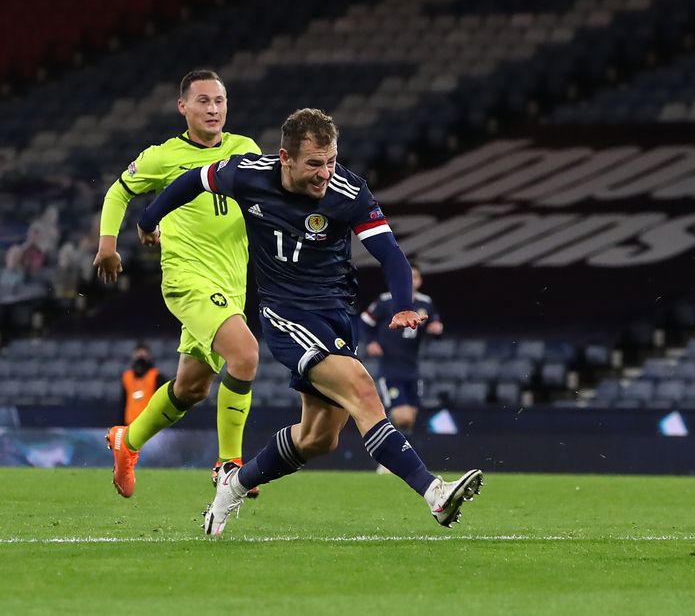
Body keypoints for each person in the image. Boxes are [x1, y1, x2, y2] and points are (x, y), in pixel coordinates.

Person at [137, 108, 482, 536]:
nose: (325, 173)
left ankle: (233, 486)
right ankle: (434, 494)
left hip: (336, 315)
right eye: (314, 164)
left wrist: (403, 304)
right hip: (286, 314)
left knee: (319, 438)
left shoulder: (348, 191)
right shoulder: (247, 173)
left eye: (331, 161)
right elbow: (192, 180)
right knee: (361, 387)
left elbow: (390, 252)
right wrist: (149, 219)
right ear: (285, 158)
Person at [94, 69, 262, 498]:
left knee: (191, 388)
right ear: (182, 107)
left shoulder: (245, 149)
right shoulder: (163, 156)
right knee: (244, 354)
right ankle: (230, 466)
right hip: (188, 278)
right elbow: (118, 192)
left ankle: (126, 442)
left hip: (231, 284)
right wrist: (108, 246)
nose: (213, 109)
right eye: (203, 101)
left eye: (219, 101)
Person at [361, 263, 443, 465]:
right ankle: (388, 459)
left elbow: (435, 325)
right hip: (389, 368)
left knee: (410, 418)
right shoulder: (385, 301)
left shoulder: (426, 303)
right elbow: (364, 321)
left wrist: (436, 329)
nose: (412, 281)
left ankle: (397, 462)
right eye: (409, 277)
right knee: (402, 416)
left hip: (412, 368)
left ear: (420, 281)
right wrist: (371, 341)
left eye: (415, 277)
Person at [121, 343, 166, 425]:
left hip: (150, 424)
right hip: (130, 423)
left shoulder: (156, 376)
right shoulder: (127, 376)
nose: (140, 358)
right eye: (138, 355)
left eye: (143, 355)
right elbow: (123, 402)